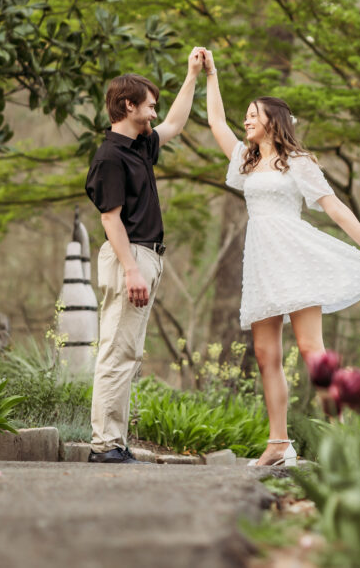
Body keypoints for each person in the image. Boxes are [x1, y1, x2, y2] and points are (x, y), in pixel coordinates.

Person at [201, 48, 360, 467]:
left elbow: (336, 207)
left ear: (273, 121)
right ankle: (278, 444)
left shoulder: (300, 163)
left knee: (312, 349)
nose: (246, 120)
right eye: (246, 115)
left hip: (295, 257)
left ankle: (342, 441)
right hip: (260, 263)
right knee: (266, 354)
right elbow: (216, 122)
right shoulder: (245, 161)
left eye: (253, 114)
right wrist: (209, 74)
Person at [83, 47, 206, 463]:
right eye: (149, 105)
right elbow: (110, 219)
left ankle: (115, 442)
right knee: (117, 352)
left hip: (145, 256)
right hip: (128, 257)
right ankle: (104, 446)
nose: (155, 113)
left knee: (129, 353)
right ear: (128, 105)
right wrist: (132, 270)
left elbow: (175, 123)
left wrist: (193, 77)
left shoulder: (140, 145)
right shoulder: (110, 157)